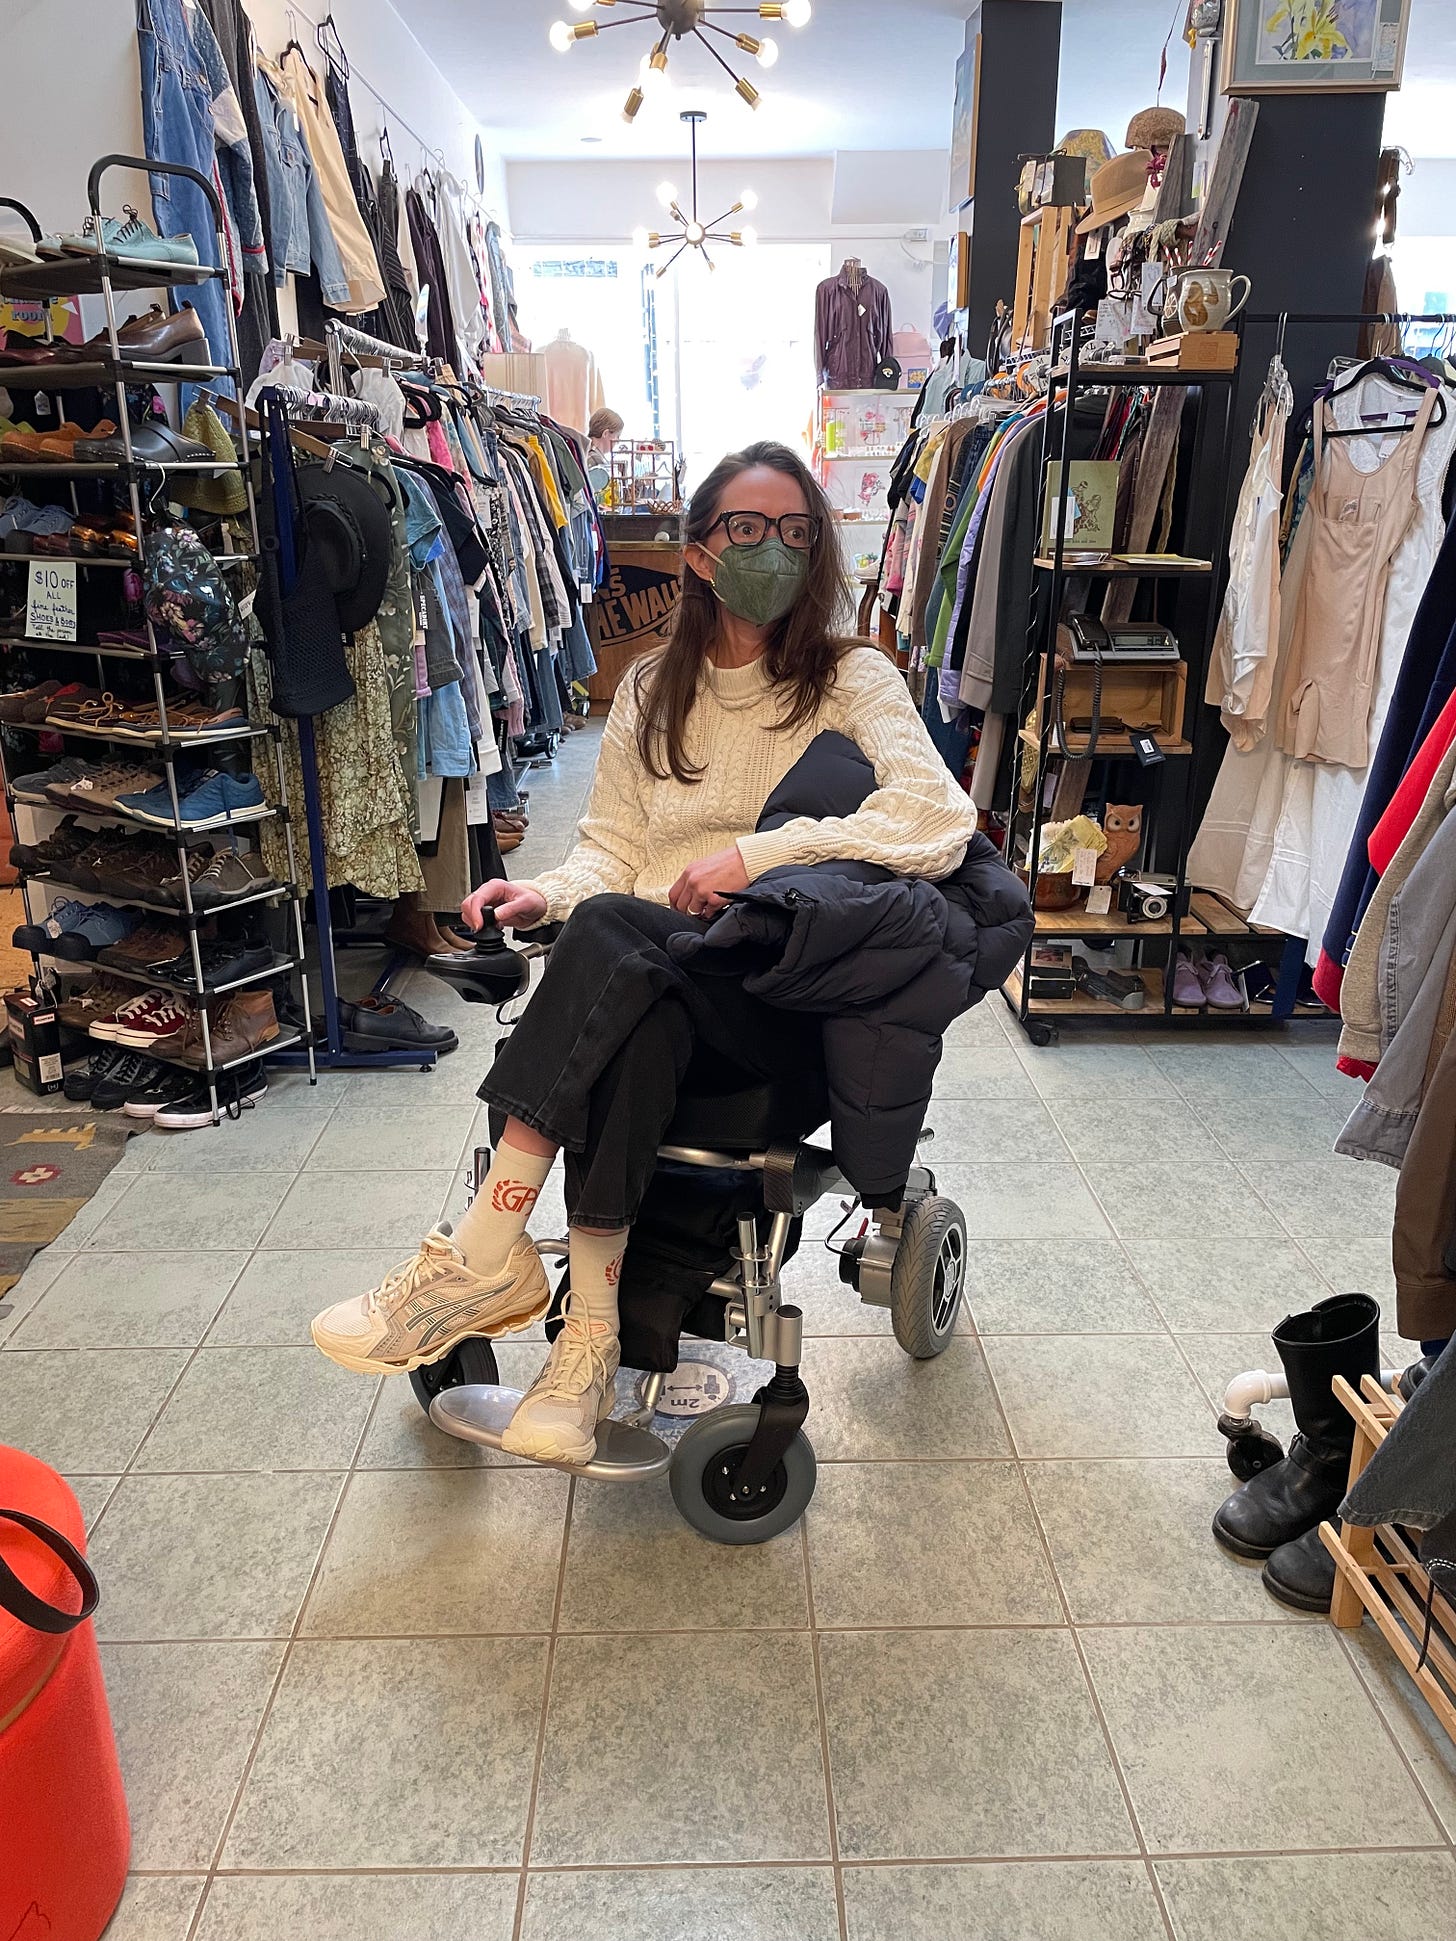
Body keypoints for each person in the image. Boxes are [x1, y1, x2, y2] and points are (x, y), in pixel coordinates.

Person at [312, 439, 979, 1463]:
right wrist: (542, 892)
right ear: (701, 553)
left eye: (796, 534)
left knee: (617, 938)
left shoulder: (852, 678)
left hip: (774, 1000)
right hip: (656, 985)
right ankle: (583, 1353)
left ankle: (488, 1249)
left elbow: (939, 818)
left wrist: (756, 857)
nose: (774, 551)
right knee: (619, 961)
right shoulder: (648, 691)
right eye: (747, 530)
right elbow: (612, 854)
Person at [586, 405, 623, 494]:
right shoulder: (594, 460)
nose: (618, 441)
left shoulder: (587, 452)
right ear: (605, 433)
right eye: (617, 436)